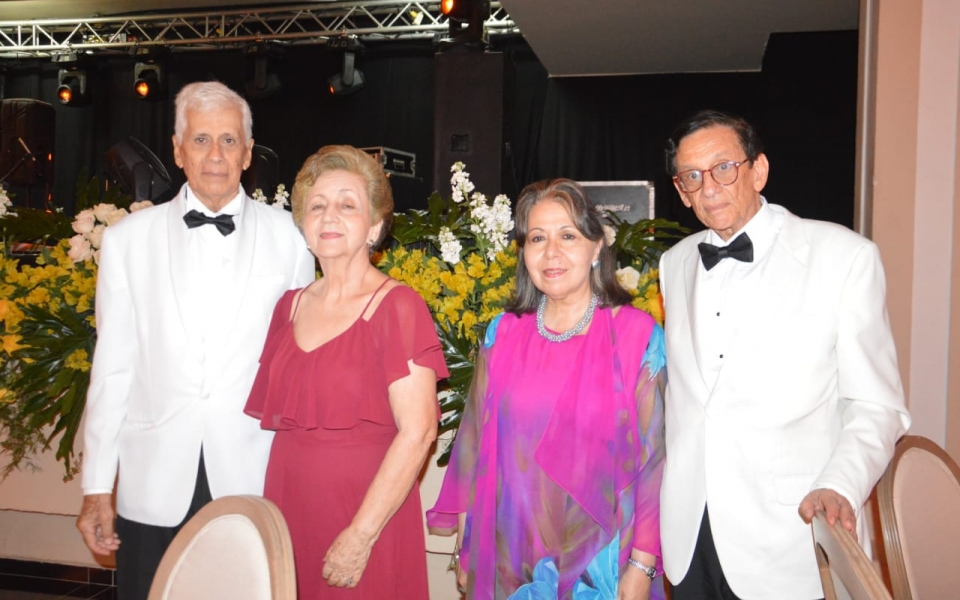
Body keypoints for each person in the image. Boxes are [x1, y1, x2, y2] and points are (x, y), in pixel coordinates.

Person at [658, 109, 912, 600]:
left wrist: (841, 483)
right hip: (690, 533)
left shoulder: (844, 257)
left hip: (787, 534)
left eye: (723, 168)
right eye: (691, 176)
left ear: (758, 170)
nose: (708, 187)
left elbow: (877, 405)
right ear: (681, 189)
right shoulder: (676, 263)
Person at [76, 81, 316, 600]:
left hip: (251, 474)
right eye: (201, 139)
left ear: (249, 153)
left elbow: (296, 365)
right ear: (177, 149)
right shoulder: (124, 243)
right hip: (152, 481)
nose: (215, 155)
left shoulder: (293, 239)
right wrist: (98, 485)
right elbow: (113, 369)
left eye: (229, 141)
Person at [428, 179, 666, 600]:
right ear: (524, 252)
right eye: (537, 238)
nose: (551, 252)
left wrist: (642, 567)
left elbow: (656, 464)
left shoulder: (636, 337)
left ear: (596, 248)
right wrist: (469, 553)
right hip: (509, 556)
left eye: (568, 236)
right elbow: (473, 446)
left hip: (603, 563)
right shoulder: (503, 335)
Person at [243, 144, 448, 599]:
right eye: (317, 206)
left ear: (374, 226)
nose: (329, 216)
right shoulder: (288, 306)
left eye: (347, 205)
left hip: (364, 517)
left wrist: (361, 535)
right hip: (288, 508)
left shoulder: (398, 306)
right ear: (304, 225)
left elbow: (418, 432)